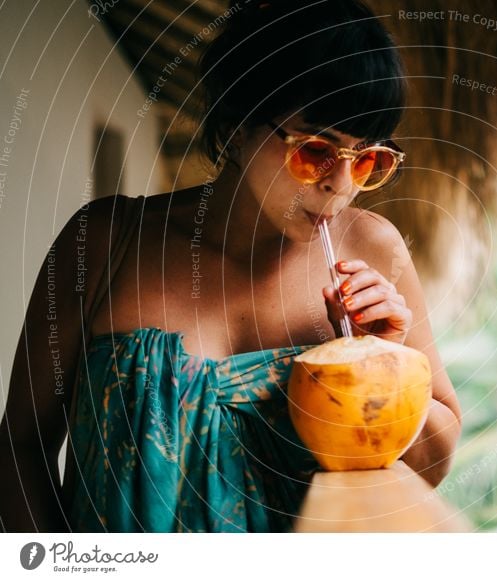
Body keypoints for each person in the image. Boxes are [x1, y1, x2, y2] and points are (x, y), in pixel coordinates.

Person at [0, 0, 461, 532]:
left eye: (367, 159)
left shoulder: (373, 249)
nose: (341, 184)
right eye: (315, 151)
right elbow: (19, 447)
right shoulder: (103, 245)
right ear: (239, 126)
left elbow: (431, 465)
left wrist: (388, 358)